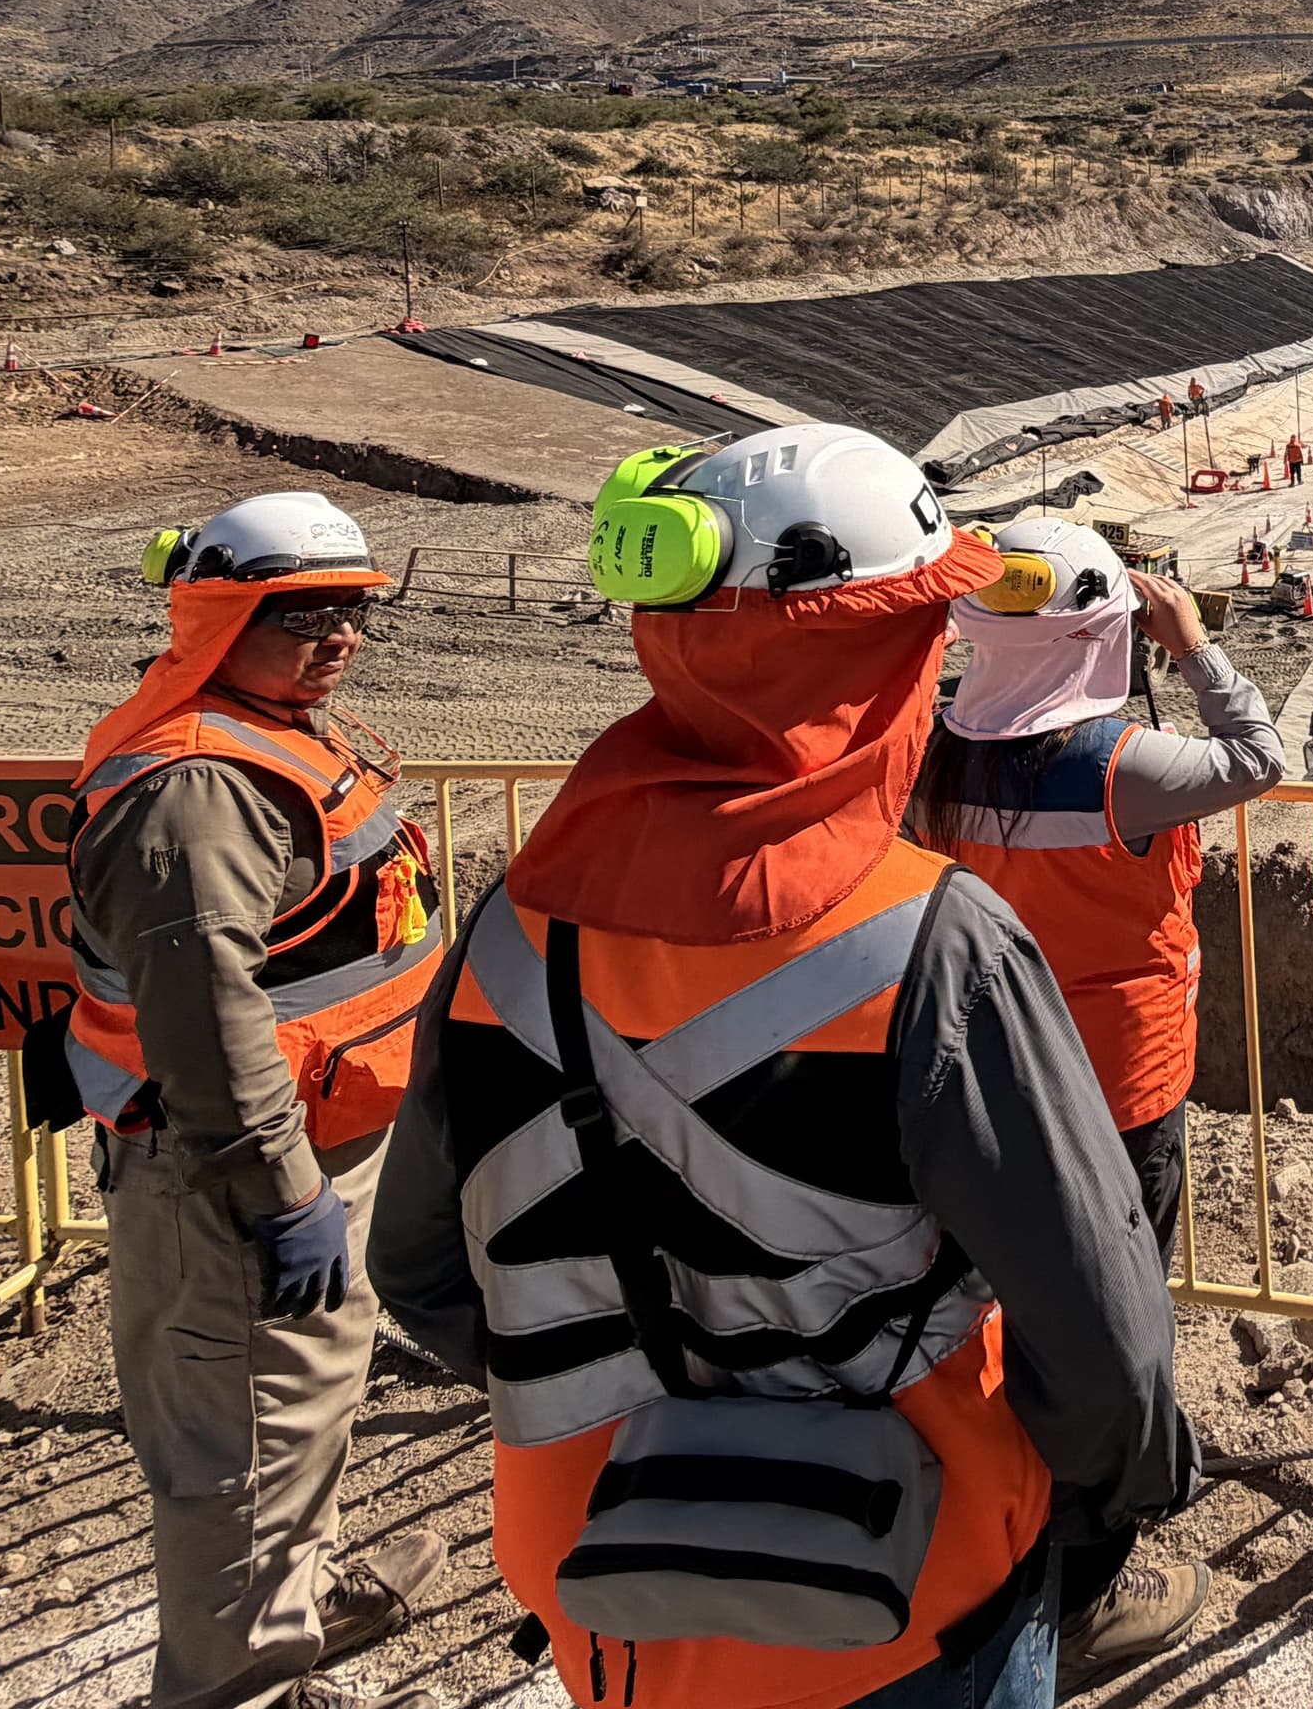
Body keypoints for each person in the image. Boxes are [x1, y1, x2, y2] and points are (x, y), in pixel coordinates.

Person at [368, 425, 1192, 1709]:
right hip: (905, 1578)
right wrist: (1104, 1496)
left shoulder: (512, 932)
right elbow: (1104, 1342)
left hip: (606, 1566)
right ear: (882, 656)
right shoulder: (934, 943)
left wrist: (628, 1397)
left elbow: (418, 1269)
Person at [63, 490, 451, 1709]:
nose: (338, 638)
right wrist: (282, 1194)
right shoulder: (199, 788)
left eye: (352, 613)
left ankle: (292, 1601)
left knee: (301, 1407)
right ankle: (237, 1681)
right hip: (237, 1177)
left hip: (307, 1145)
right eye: (303, 616)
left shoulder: (267, 735)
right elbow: (207, 1023)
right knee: (241, 1442)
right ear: (221, 620)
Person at [917, 518, 1285, 1678]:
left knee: (988, 1310)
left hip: (981, 1083)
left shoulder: (931, 760)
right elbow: (1258, 756)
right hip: (1118, 1094)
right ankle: (1083, 1587)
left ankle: (989, 1524)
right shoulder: (1125, 770)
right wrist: (1193, 644)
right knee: (1108, 1329)